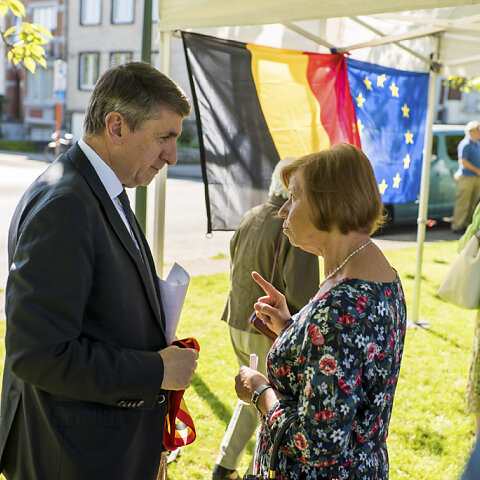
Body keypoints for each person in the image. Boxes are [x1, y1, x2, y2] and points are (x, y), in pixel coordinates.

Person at [0, 62, 199, 480]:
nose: (173, 155)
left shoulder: (97, 187)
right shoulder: (65, 204)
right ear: (116, 126)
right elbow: (37, 355)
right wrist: (157, 372)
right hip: (74, 458)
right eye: (164, 137)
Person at [235, 143, 407, 479]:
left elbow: (316, 444)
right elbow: (344, 362)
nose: (284, 210)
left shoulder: (339, 307)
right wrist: (293, 327)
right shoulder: (373, 273)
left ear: (329, 203)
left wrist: (259, 391)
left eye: (294, 197)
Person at [212, 159, 319, 480]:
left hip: (237, 319)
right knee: (269, 399)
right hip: (269, 327)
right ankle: (252, 473)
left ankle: (225, 465)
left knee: (253, 394)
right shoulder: (295, 224)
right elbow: (302, 291)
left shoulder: (251, 214)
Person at [452, 120, 480, 235]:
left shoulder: (477, 144)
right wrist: (477, 170)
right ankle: (458, 226)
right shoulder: (465, 144)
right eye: (478, 130)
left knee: (473, 204)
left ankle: (467, 226)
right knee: (464, 203)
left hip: (476, 178)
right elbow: (463, 161)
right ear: (471, 131)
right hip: (466, 177)